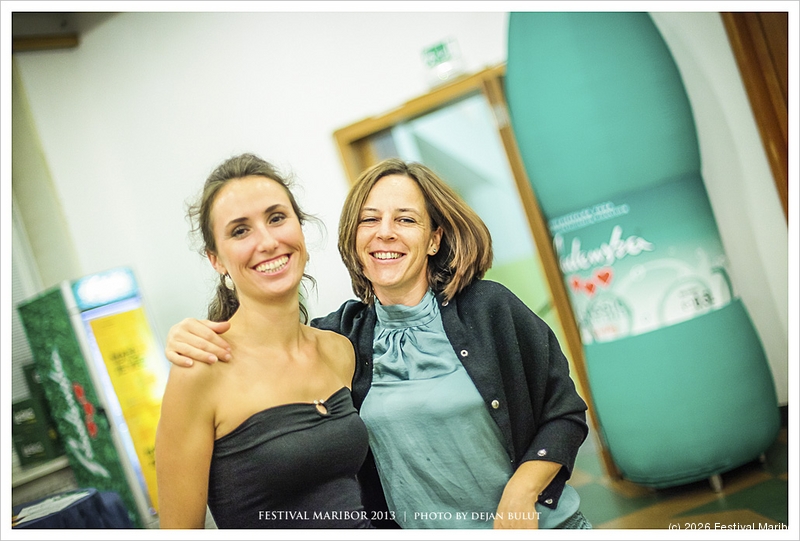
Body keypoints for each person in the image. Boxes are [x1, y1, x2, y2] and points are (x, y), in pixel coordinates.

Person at [166, 158, 592, 529]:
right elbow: (268, 340)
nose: (385, 233)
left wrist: (521, 492)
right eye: (369, 220)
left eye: (405, 220)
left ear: (434, 239)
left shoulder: (487, 309)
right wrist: (185, 333)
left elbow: (564, 410)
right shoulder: (346, 338)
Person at [155, 153, 372, 529]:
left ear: (300, 228)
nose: (268, 241)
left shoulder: (340, 350)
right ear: (216, 259)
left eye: (276, 218)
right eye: (240, 231)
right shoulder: (201, 371)